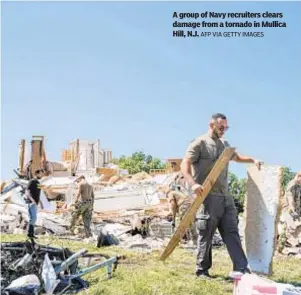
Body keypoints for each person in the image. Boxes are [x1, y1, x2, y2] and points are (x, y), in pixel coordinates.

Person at [181, 113, 263, 279]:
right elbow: (185, 164)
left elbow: (237, 157)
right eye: (221, 127)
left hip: (225, 196)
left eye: (226, 127)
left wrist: (252, 159)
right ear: (211, 125)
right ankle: (202, 271)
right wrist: (193, 184)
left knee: (232, 231)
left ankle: (241, 269)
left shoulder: (225, 144)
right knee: (207, 233)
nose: (224, 130)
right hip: (207, 196)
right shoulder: (200, 143)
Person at [26, 169, 44, 238]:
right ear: (36, 174)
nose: (42, 175)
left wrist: (41, 203)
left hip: (36, 203)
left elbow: (39, 194)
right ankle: (29, 234)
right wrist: (32, 200)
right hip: (31, 202)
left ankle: (31, 234)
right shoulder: (32, 181)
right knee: (33, 218)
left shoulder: (38, 183)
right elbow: (27, 192)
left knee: (34, 218)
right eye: (41, 174)